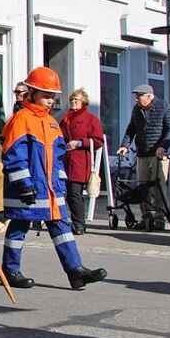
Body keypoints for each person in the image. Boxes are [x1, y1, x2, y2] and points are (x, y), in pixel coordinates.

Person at [0, 67, 107, 290]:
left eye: (53, 96)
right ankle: (10, 270)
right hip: (28, 188)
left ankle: (75, 270)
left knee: (61, 227)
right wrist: (23, 184)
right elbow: (14, 155)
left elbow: (59, 158)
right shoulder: (21, 120)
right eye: (46, 95)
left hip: (50, 189)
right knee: (19, 227)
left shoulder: (51, 123)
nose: (50, 100)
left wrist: (60, 184)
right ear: (32, 92)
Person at [119, 83, 170, 230]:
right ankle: (146, 218)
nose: (136, 100)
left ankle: (159, 219)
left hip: (159, 154)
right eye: (136, 97)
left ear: (150, 96)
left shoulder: (164, 107)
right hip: (142, 153)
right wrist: (125, 145)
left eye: (139, 97)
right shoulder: (137, 109)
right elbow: (131, 129)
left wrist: (163, 146)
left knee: (159, 186)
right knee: (142, 187)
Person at [60, 88, 104, 235]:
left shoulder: (91, 119)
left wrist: (79, 143)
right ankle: (67, 222)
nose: (73, 102)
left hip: (80, 162)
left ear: (83, 102)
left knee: (74, 193)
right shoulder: (66, 118)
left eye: (76, 99)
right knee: (66, 194)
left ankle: (79, 225)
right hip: (65, 160)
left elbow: (98, 141)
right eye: (72, 99)